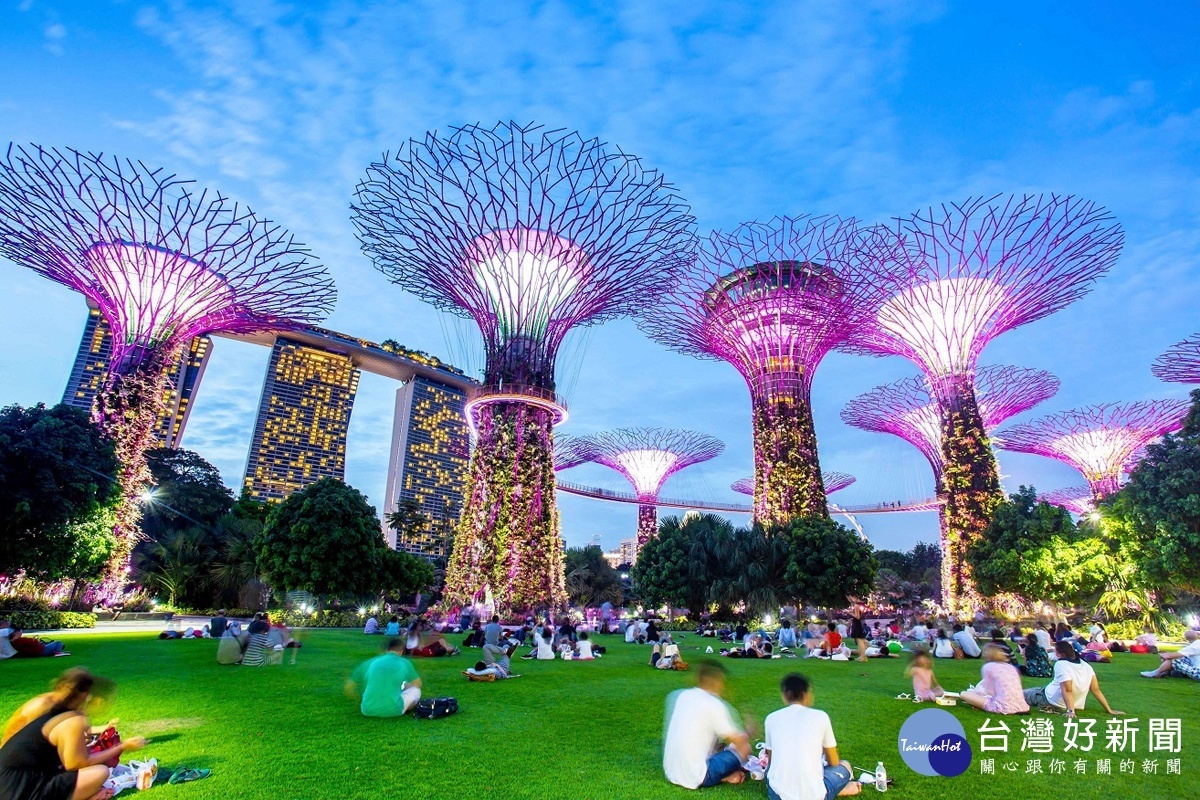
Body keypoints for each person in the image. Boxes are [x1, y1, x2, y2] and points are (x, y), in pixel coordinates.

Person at [0, 668, 146, 800]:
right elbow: (76, 764)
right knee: (100, 772)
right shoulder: (72, 718)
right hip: (19, 786)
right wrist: (122, 747)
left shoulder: (54, 709)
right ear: (86, 695)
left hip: (11, 778)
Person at [764, 673, 860, 800]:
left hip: (777, 794)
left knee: (770, 771)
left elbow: (771, 759)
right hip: (813, 795)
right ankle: (839, 789)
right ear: (806, 695)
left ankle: (833, 788)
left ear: (785, 696)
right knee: (845, 765)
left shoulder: (772, 718)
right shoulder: (821, 716)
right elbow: (834, 761)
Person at [662, 662, 750, 789]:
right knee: (745, 748)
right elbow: (738, 741)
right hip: (698, 775)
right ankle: (725, 777)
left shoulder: (679, 695)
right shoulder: (714, 704)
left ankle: (721, 773)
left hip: (671, 771)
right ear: (717, 681)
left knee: (720, 746)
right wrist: (749, 732)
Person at [1024, 641, 1123, 716]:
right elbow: (1095, 690)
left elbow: (1067, 689)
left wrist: (1071, 711)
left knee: (1020, 694)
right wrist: (1109, 710)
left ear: (1060, 654)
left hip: (1048, 699)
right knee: (1033, 690)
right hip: (1072, 703)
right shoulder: (1086, 665)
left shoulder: (1061, 664)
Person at [346, 639, 422, 717]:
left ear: (387, 650)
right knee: (416, 690)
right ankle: (404, 707)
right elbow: (418, 683)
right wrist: (406, 686)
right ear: (401, 651)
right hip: (394, 710)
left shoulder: (371, 661)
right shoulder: (404, 662)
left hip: (367, 709)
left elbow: (349, 685)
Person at [960, 644, 1029, 715]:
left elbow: (989, 692)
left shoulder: (988, 667)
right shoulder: (1011, 667)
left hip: (1003, 707)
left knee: (964, 694)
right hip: (1022, 707)